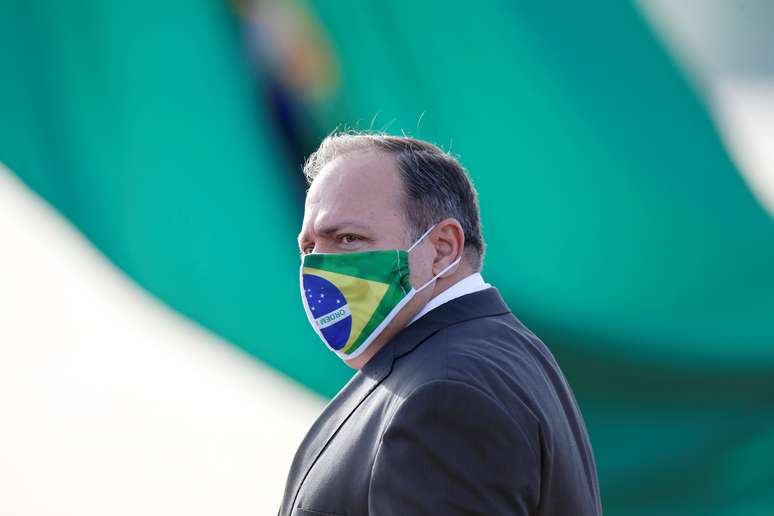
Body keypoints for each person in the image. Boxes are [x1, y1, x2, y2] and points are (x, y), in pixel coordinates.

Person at [278, 133, 602, 516]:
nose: (318, 269)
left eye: (348, 238)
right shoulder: (487, 354)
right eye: (309, 248)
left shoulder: (447, 392)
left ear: (443, 248)